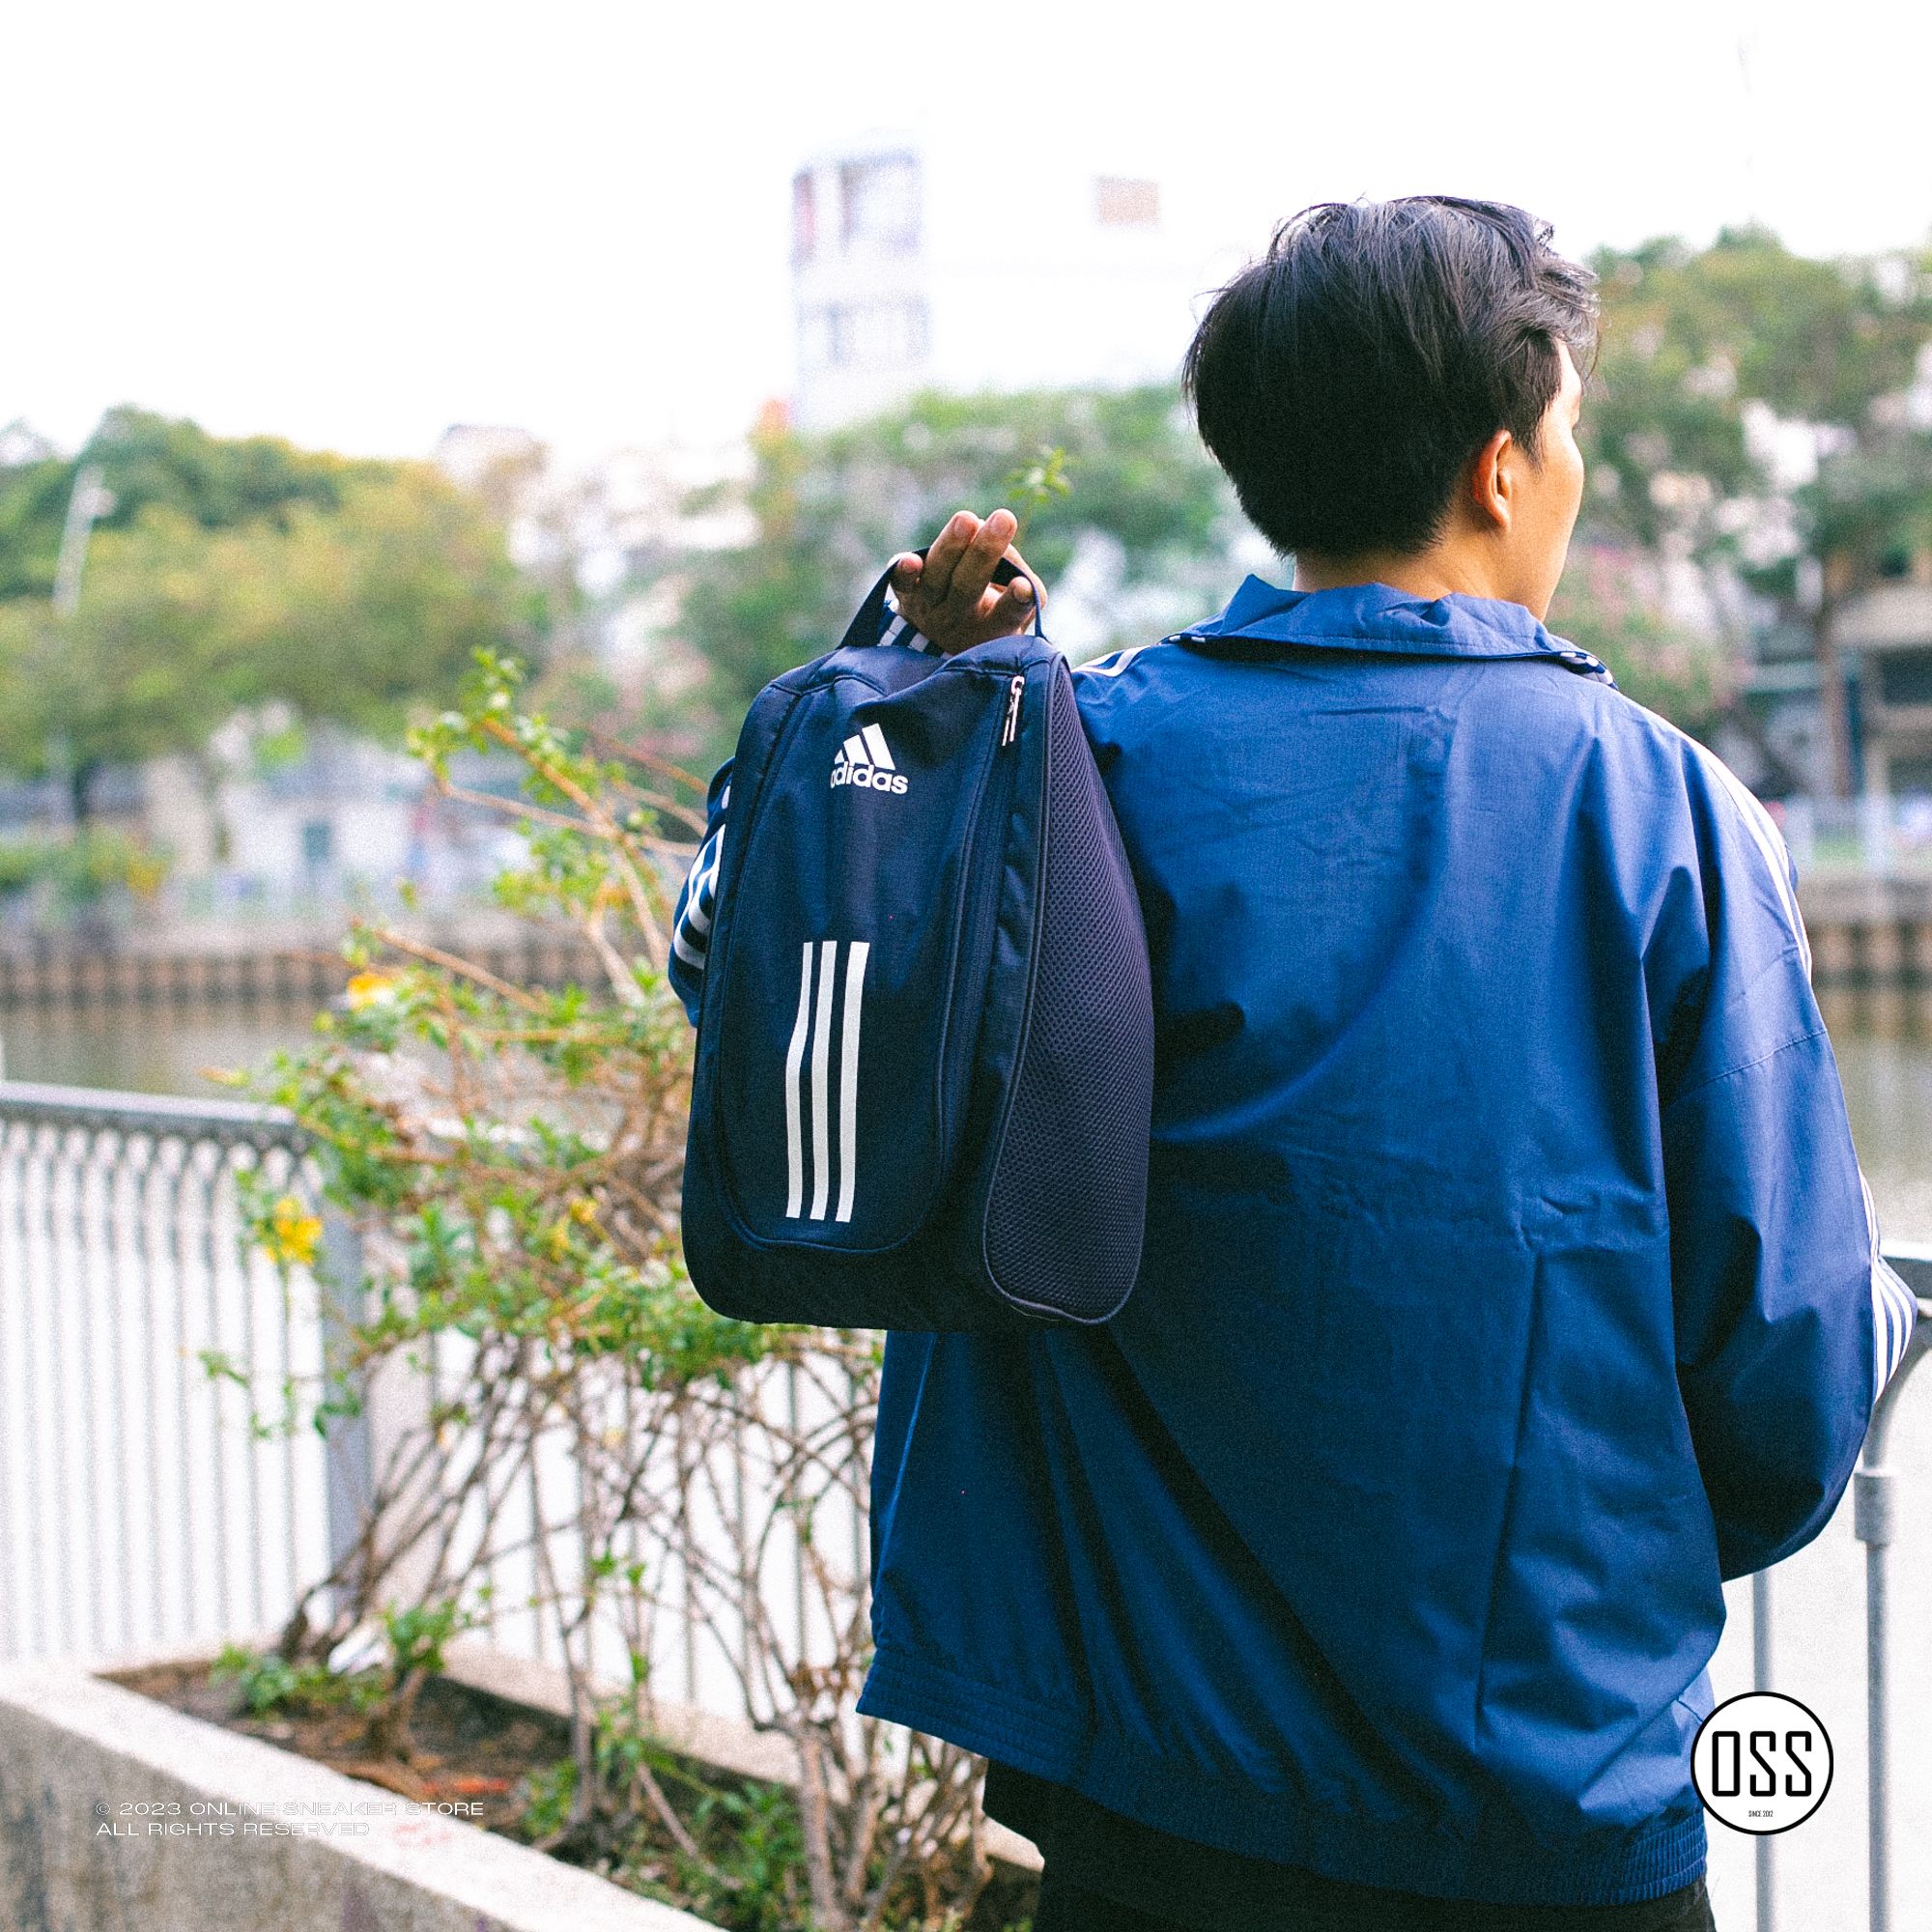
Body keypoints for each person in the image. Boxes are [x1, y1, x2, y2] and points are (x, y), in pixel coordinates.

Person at [668, 197, 1918, 1930]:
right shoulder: (1667, 815)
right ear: (1501, 466)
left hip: (1129, 1792)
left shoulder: (1056, 756)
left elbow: (742, 983)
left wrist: (912, 703)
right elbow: (1784, 1377)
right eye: (1568, 433)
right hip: (1540, 1798)